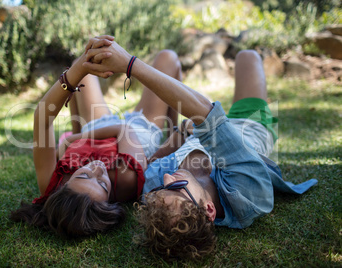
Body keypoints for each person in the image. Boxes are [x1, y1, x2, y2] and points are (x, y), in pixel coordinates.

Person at [84, 40, 318, 260]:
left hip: (198, 129)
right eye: (174, 187)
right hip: (248, 125)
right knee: (248, 56)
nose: (166, 177)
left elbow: (159, 157)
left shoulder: (155, 188)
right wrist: (129, 64)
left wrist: (183, 131)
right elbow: (207, 116)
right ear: (208, 209)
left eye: (161, 188)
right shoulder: (247, 194)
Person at [10, 36, 182, 237]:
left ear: (64, 186)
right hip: (136, 133)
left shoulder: (50, 181)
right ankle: (173, 132)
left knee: (81, 66)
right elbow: (123, 130)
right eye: (102, 183)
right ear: (109, 201)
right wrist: (72, 140)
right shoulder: (126, 178)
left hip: (96, 129)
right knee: (168, 58)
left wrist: (80, 68)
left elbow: (42, 118)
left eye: (83, 175)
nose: (97, 169)